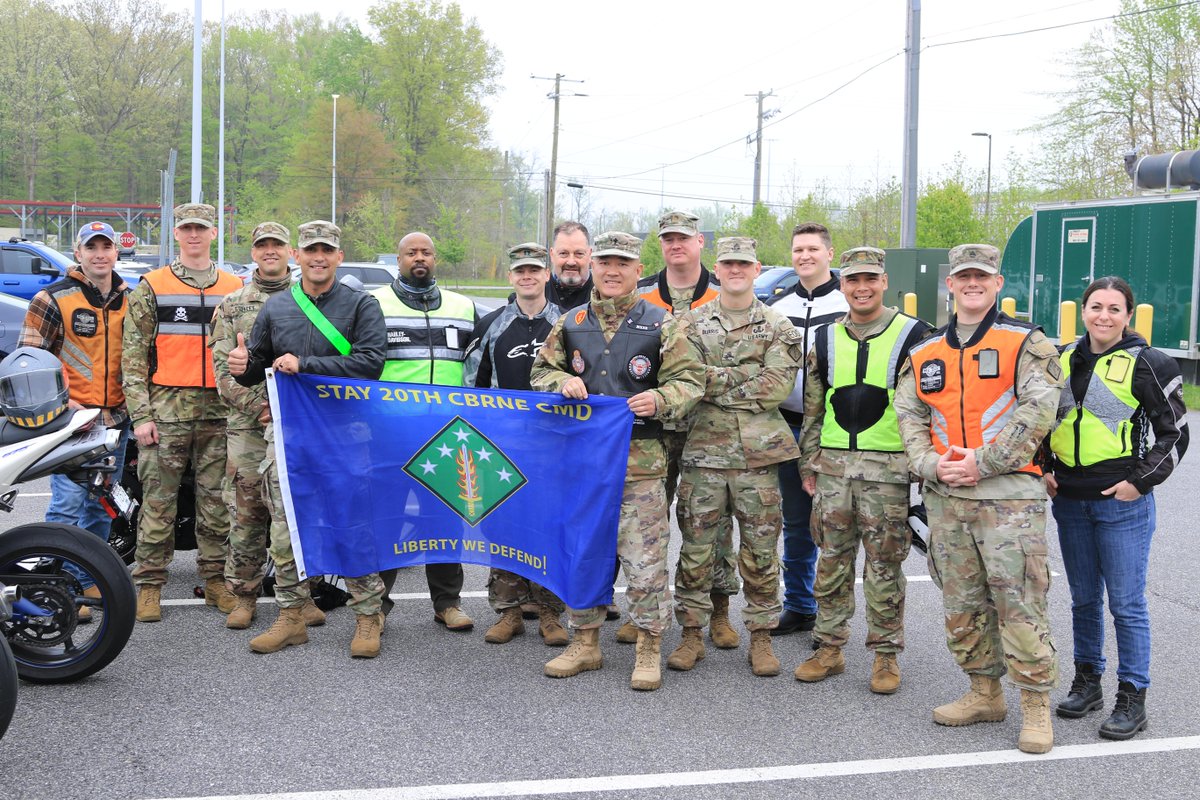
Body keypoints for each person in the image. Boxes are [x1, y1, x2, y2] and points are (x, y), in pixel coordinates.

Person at [894, 243, 1062, 755]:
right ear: (950, 284)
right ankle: (984, 692)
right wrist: (930, 465)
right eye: (963, 276)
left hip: (1009, 497)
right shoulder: (924, 353)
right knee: (962, 602)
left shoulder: (1027, 344)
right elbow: (909, 416)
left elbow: (1037, 411)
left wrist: (981, 462)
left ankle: (1035, 705)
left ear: (997, 284)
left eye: (981, 277)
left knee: (1018, 602)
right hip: (947, 497)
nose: (972, 284)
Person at [531, 231, 704, 691]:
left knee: (645, 561)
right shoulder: (571, 322)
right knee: (585, 554)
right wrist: (559, 383)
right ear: (593, 265)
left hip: (640, 467)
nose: (611, 271)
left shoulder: (663, 322)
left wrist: (662, 399)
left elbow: (691, 381)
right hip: (584, 468)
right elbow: (540, 371)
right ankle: (585, 641)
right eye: (604, 262)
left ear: (636, 269)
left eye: (622, 263)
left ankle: (648, 646)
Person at [229, 220, 388, 657]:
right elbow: (254, 367)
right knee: (284, 530)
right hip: (290, 436)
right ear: (297, 257)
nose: (318, 257)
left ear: (338, 256)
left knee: (351, 525)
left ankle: (368, 616)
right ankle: (291, 616)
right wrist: (240, 364)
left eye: (327, 250)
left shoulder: (361, 305)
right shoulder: (277, 308)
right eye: (310, 250)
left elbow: (372, 363)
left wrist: (308, 364)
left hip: (345, 436)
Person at [1045, 276, 1187, 740]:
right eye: (1095, 306)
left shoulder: (1149, 363)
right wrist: (1044, 466)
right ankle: (1088, 682)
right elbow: (1044, 421)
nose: (1103, 316)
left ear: (1129, 315)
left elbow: (1175, 435)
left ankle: (1133, 696)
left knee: (1126, 605)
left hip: (1121, 503)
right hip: (1069, 500)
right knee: (1084, 600)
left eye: (1114, 308)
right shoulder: (1060, 359)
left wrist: (1138, 483)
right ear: (1082, 310)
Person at [793, 247, 931, 693]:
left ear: (884, 281)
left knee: (885, 565)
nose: (861, 287)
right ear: (842, 284)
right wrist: (807, 463)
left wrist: (919, 465)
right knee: (831, 561)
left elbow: (926, 409)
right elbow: (813, 410)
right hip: (833, 469)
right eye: (852, 280)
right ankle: (829, 648)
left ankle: (886, 656)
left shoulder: (915, 334)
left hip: (887, 470)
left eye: (870, 278)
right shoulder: (826, 339)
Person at [669, 236, 802, 678]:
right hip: (703, 454)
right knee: (696, 550)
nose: (736, 270)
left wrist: (716, 382)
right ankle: (692, 633)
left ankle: (761, 639)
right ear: (718, 267)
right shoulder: (690, 322)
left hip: (757, 461)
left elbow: (776, 388)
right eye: (728, 263)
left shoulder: (779, 327)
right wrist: (747, 374)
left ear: (756, 267)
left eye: (744, 263)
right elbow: (685, 377)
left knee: (761, 553)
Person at [619, 209, 737, 651]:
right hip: (651, 428)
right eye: (667, 238)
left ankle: (718, 610)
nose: (675, 245)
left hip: (710, 427)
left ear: (700, 242)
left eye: (683, 238)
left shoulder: (726, 294)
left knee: (713, 525)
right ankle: (642, 609)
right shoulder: (642, 293)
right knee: (645, 524)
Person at [122, 203, 243, 623]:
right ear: (176, 233)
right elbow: (133, 357)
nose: (194, 235)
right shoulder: (152, 286)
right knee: (158, 503)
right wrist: (141, 416)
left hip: (220, 413)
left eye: (202, 229)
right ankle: (150, 585)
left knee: (216, 503)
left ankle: (214, 581)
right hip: (167, 409)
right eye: (187, 228)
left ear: (214, 234)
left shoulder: (234, 287)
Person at [212, 222, 325, 631]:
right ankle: (243, 595)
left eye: (278, 244)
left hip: (300, 424)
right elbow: (222, 370)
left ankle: (300, 595)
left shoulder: (310, 299)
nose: (270, 251)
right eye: (263, 245)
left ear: (290, 251)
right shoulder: (232, 303)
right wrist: (262, 406)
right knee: (246, 511)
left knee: (295, 511)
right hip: (248, 425)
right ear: (254, 252)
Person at [19, 221, 131, 622]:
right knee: (67, 507)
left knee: (101, 507)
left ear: (117, 252)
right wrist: (56, 416)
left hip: (116, 421)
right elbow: (29, 362)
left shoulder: (131, 301)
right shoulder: (52, 298)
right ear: (78, 252)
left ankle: (85, 582)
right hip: (71, 423)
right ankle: (51, 584)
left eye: (107, 246)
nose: (100, 254)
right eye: (92, 247)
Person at [371, 231, 477, 632]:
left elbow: (481, 368)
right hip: (392, 432)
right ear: (397, 260)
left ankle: (447, 602)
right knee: (389, 518)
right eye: (411, 252)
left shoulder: (463, 307)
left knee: (445, 517)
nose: (420, 258)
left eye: (426, 252)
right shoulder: (374, 304)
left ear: (436, 259)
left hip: (448, 433)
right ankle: (375, 605)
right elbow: (356, 363)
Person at [463, 242, 568, 646]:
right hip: (499, 444)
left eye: (535, 270)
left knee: (548, 525)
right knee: (502, 526)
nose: (527, 276)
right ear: (511, 277)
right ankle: (507, 611)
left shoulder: (568, 322)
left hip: (552, 444)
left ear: (547, 275)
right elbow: (471, 386)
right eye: (520, 271)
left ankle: (549, 612)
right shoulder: (491, 324)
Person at [764, 222, 849, 636]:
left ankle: (834, 617)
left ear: (829, 254)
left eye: (813, 249)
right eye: (798, 250)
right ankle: (800, 604)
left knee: (834, 525)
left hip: (835, 430)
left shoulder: (849, 300)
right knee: (796, 523)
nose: (805, 256)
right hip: (787, 427)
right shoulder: (777, 307)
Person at [546, 221, 594, 311]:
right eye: (563, 253)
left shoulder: (604, 296)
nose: (571, 262)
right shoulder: (537, 295)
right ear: (552, 255)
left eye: (579, 253)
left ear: (590, 255)